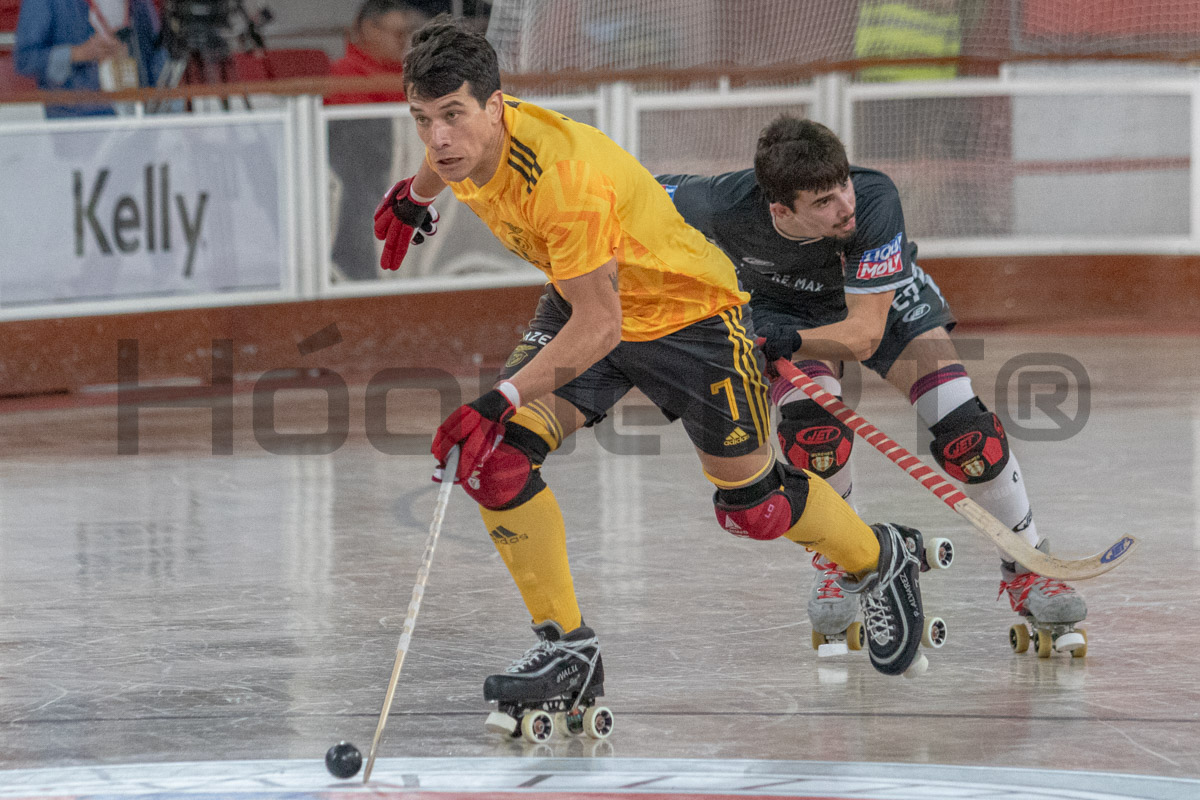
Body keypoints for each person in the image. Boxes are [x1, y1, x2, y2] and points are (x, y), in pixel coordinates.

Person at [372, 17, 941, 732]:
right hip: (591, 292)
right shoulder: (464, 145)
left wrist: (503, 393)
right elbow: (584, 300)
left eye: (452, 116)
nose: (439, 139)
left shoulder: (560, 180)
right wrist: (417, 193)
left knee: (755, 508)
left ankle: (879, 557)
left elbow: (600, 328)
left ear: (494, 106)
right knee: (497, 460)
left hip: (687, 316)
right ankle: (568, 651)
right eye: (423, 121)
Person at [657, 116, 1087, 656]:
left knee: (968, 434)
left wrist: (783, 338)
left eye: (843, 185)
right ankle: (847, 560)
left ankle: (1028, 564)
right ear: (779, 210)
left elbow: (863, 336)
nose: (845, 206)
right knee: (814, 432)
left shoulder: (875, 197)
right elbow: (631, 193)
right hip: (781, 308)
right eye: (823, 202)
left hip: (876, 306)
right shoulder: (718, 204)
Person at [326, 0, 437, 281]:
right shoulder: (345, 75)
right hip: (367, 196)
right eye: (399, 33)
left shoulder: (414, 75)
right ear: (369, 29)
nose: (406, 42)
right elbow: (364, 150)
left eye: (412, 33)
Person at [14, 0, 166, 118]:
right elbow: (25, 59)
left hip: (139, 119)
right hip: (80, 127)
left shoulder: (139, 3)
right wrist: (79, 54)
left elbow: (158, 53)